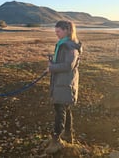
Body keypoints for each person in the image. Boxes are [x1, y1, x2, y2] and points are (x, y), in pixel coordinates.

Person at [45, 20, 82, 154]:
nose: (56, 34)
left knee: (60, 109)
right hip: (61, 82)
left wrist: (52, 68)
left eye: (58, 31)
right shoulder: (63, 44)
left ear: (67, 30)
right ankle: (68, 134)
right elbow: (64, 63)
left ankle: (56, 140)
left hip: (65, 83)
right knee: (64, 107)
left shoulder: (69, 46)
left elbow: (68, 66)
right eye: (55, 32)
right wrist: (52, 62)